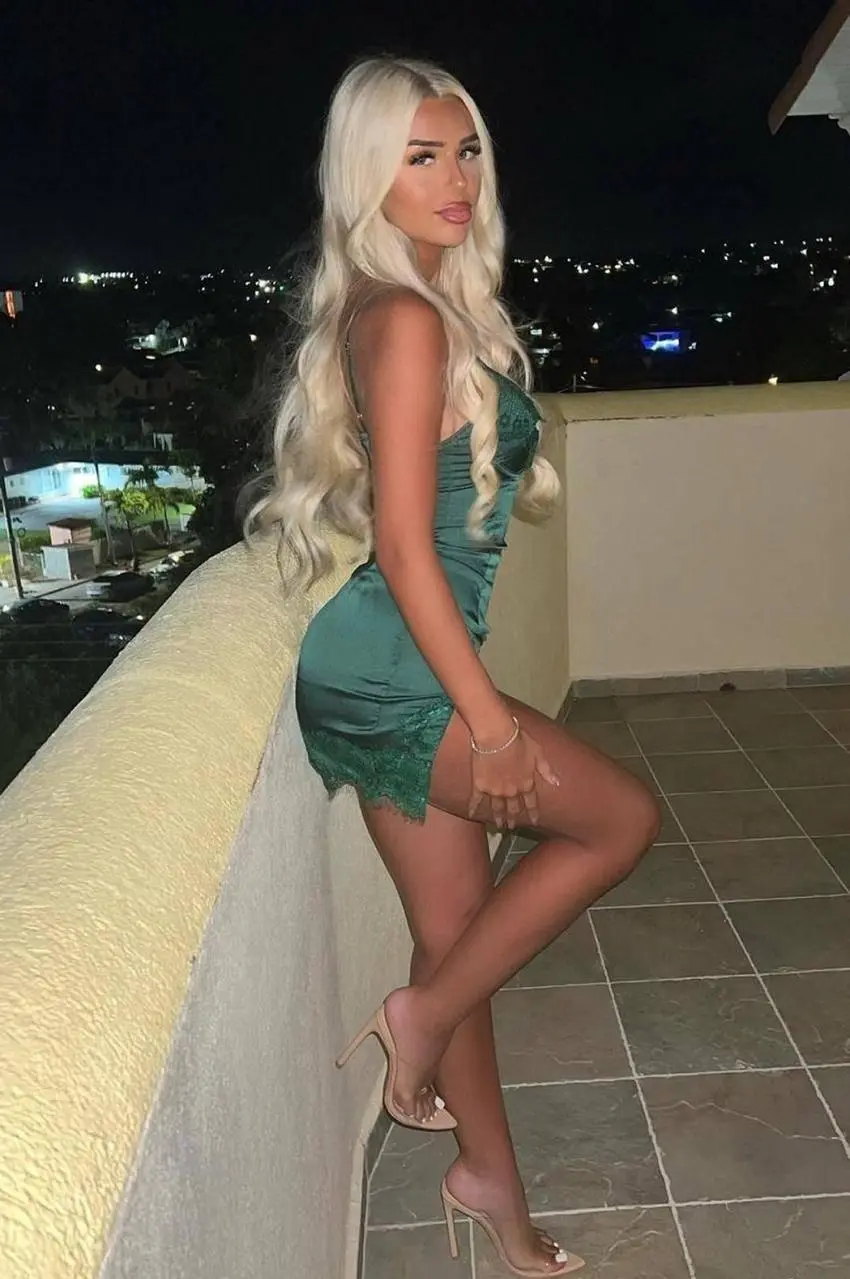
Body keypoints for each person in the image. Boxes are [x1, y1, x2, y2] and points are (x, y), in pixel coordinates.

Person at [245, 55, 660, 1278]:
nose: (455, 177)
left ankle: (489, 1181)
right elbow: (407, 547)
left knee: (456, 929)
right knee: (618, 821)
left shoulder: (403, 305)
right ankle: (417, 1018)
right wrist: (488, 724)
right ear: (367, 175)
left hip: (382, 664)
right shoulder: (408, 317)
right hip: (399, 672)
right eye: (420, 156)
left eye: (464, 149)